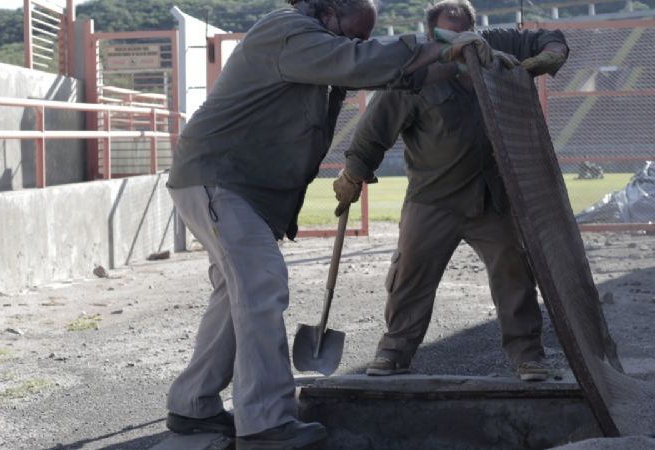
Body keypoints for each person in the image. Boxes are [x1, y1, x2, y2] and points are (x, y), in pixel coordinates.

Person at [163, 0, 499, 448]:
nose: (353, 43)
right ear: (327, 12)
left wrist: (458, 61)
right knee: (261, 285)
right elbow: (357, 62)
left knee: (235, 296)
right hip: (220, 178)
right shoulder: (286, 31)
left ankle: (193, 405)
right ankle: (266, 423)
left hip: (233, 184)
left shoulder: (309, 41)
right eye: (352, 33)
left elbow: (396, 74)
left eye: (360, 38)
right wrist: (436, 48)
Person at [333, 0, 569, 382]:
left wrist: (553, 54)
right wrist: (353, 175)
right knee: (410, 274)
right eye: (447, 37)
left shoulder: (494, 49)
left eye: (465, 34)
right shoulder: (415, 75)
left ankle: (528, 356)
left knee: (515, 274)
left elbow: (548, 38)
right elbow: (374, 131)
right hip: (433, 200)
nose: (459, 45)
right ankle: (395, 351)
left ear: (476, 31)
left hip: (490, 198)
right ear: (432, 37)